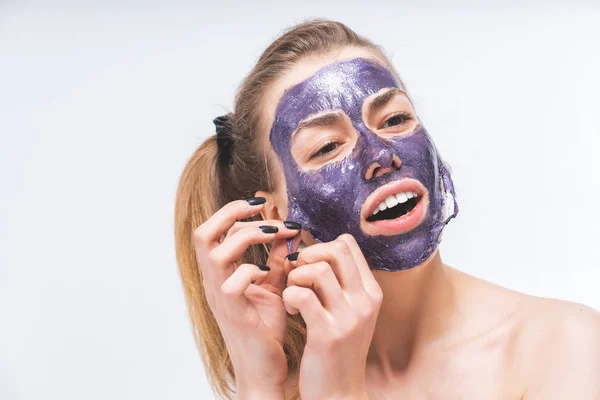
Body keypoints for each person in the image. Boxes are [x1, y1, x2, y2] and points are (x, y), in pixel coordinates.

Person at [174, 19, 600, 400]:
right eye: (327, 147)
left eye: (395, 119)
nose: (380, 153)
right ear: (272, 216)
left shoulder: (566, 348)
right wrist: (259, 384)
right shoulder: (281, 384)